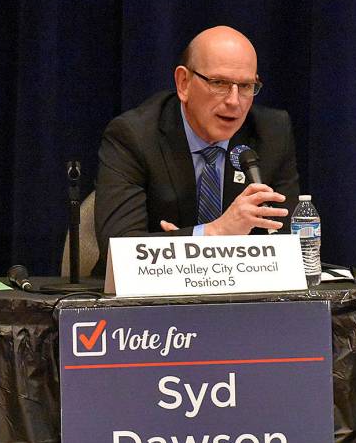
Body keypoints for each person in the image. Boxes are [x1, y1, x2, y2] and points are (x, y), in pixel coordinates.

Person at [94, 25, 300, 272]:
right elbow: (119, 250)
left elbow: (287, 244)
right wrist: (216, 232)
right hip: (149, 303)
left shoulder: (272, 133)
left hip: (240, 300)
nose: (234, 101)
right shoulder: (134, 136)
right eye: (219, 83)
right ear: (184, 83)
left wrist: (179, 242)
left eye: (245, 86)